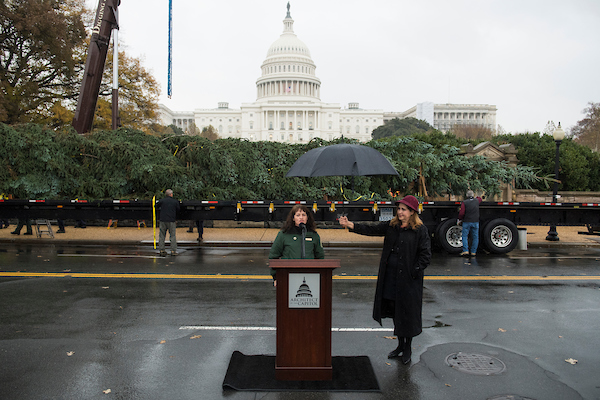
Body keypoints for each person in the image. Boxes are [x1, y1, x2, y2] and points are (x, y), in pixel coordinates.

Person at [339, 195, 431, 364]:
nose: (400, 212)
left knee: (407, 313)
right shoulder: (392, 226)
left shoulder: (420, 230)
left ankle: (408, 348)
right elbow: (371, 229)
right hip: (391, 276)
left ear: (412, 212)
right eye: (399, 209)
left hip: (409, 280)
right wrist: (350, 224)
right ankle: (400, 345)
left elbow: (425, 255)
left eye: (403, 209)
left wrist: (414, 271)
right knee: (396, 310)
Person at [268, 204, 325, 280]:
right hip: (287, 276)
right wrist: (276, 277)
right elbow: (273, 256)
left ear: (307, 218)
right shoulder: (284, 234)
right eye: (298, 215)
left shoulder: (313, 235)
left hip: (309, 276)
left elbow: (320, 257)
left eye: (303, 215)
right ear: (293, 218)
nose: (301, 217)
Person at [458, 190, 482, 257]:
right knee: (475, 237)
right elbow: (480, 198)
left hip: (467, 221)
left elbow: (462, 213)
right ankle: (473, 252)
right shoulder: (477, 201)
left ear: (467, 196)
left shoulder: (464, 202)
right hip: (475, 222)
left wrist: (460, 219)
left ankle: (465, 250)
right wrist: (477, 196)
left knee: (465, 236)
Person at [156, 189, 180, 256]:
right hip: (171, 220)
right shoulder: (175, 202)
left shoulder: (162, 201)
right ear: (171, 194)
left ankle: (162, 249)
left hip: (163, 220)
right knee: (172, 235)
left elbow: (156, 205)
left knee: (162, 235)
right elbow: (178, 209)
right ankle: (173, 250)